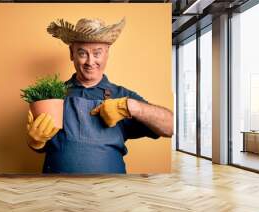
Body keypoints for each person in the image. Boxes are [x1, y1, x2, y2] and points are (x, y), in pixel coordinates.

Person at [26, 17, 173, 174]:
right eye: (82, 53)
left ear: (107, 53)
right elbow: (41, 145)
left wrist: (131, 106)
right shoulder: (52, 96)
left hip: (110, 191)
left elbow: (170, 126)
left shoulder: (122, 95)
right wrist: (36, 142)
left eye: (97, 53)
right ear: (71, 53)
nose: (90, 61)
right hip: (58, 192)